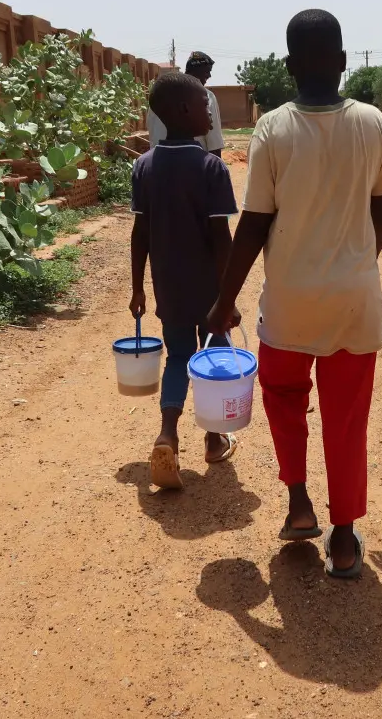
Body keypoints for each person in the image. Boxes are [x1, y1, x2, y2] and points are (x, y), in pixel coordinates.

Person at [206, 9, 382, 579]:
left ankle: (298, 505)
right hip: (353, 303)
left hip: (289, 305)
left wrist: (225, 301)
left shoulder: (272, 128)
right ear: (343, 62)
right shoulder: (372, 122)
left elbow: (254, 224)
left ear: (289, 67)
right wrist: (360, 262)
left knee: (284, 398)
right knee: (346, 421)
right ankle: (343, 539)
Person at [130, 72, 240, 491]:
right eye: (202, 103)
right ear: (181, 111)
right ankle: (213, 440)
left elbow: (140, 233)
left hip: (169, 288)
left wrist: (138, 287)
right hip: (209, 291)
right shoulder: (211, 167)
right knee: (214, 362)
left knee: (178, 357)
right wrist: (227, 297)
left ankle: (168, 435)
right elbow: (221, 240)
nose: (209, 109)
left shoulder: (145, 166)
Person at [148, 52, 226, 158]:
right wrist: (215, 168)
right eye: (207, 71)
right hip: (196, 167)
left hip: (160, 163)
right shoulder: (207, 97)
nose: (209, 75)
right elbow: (214, 143)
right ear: (196, 71)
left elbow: (153, 137)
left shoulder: (160, 96)